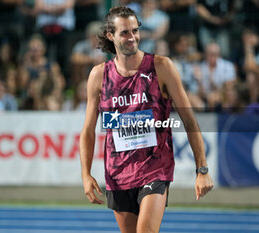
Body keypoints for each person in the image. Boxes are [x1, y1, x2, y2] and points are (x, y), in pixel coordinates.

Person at [80, 6, 213, 233]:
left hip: (155, 168)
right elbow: (88, 131)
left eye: (135, 30)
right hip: (118, 172)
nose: (132, 37)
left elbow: (190, 120)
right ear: (110, 35)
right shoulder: (99, 75)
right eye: (124, 32)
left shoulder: (161, 67)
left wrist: (202, 169)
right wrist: (86, 174)